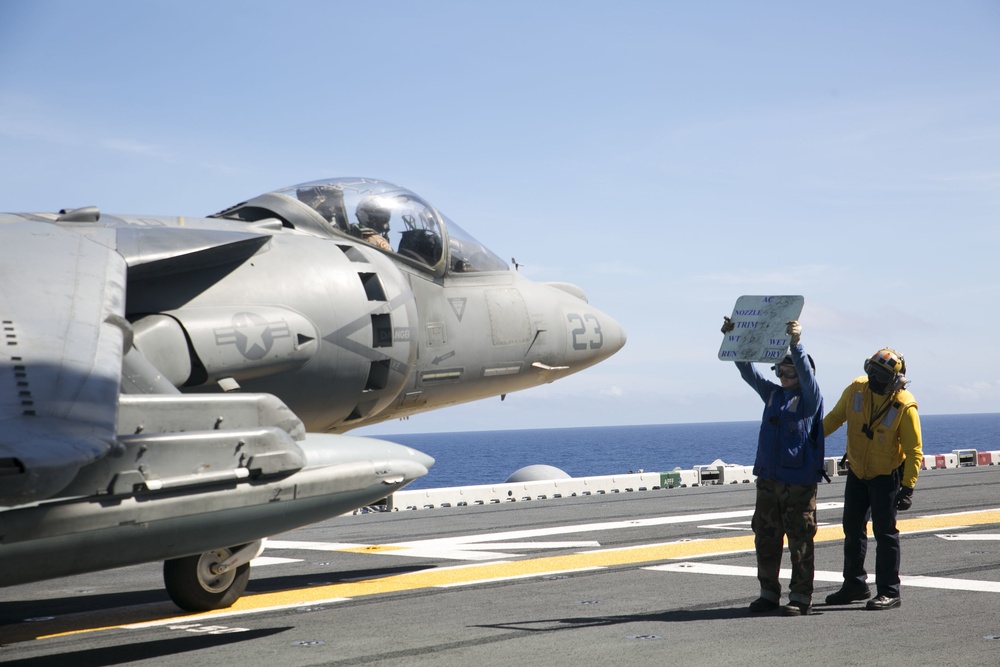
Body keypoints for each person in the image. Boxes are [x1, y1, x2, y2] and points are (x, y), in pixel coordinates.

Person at [721, 318, 826, 616]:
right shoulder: (773, 395)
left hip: (798, 485)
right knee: (765, 537)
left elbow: (808, 378)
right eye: (780, 369)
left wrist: (796, 345)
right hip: (768, 482)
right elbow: (747, 371)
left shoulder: (810, 400)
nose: (784, 375)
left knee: (800, 542)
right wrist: (734, 340)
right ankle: (768, 593)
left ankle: (801, 597)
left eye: (790, 369)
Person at [823, 348, 922, 611]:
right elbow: (834, 418)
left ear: (896, 379)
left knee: (885, 534)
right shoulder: (857, 389)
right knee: (852, 530)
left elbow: (914, 451)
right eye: (872, 371)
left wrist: (908, 486)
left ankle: (890, 591)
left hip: (885, 476)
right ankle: (854, 584)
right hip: (857, 472)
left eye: (881, 374)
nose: (874, 378)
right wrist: (809, 441)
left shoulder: (903, 404)